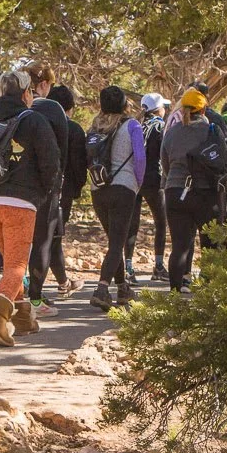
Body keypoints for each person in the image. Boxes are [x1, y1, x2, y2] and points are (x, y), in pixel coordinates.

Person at [0, 69, 61, 345]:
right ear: (26, 94)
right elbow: (51, 162)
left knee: (11, 257)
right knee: (16, 263)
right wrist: (43, 193)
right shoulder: (34, 120)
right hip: (20, 202)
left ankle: (23, 317)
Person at [159, 87, 227, 293]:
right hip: (206, 193)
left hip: (175, 192)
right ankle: (208, 292)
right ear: (203, 110)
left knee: (179, 246)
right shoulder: (211, 131)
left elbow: (165, 164)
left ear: (182, 109)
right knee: (210, 245)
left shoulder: (171, 132)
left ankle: (175, 294)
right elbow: (226, 161)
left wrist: (176, 181)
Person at [85, 86, 146, 311]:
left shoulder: (95, 127)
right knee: (117, 243)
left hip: (98, 188)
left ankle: (122, 288)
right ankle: (102, 289)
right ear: (124, 104)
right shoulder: (132, 125)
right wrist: (138, 184)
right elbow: (140, 158)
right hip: (124, 187)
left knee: (114, 241)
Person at [23, 65, 74, 315]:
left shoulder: (15, 107)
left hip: (14, 184)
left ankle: (14, 291)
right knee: (42, 241)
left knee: (18, 240)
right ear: (43, 84)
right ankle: (35, 298)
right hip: (46, 185)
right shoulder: (52, 108)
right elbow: (62, 149)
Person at [46, 82, 88, 300]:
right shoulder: (74, 129)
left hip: (37, 188)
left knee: (44, 237)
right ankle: (60, 283)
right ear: (70, 108)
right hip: (64, 190)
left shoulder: (40, 123)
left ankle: (62, 281)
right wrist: (77, 187)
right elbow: (80, 164)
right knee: (53, 238)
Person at [130, 92, 170, 281]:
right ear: (159, 109)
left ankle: (128, 268)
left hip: (134, 179)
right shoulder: (161, 127)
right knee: (161, 222)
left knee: (132, 225)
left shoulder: (136, 125)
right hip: (155, 179)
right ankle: (159, 266)